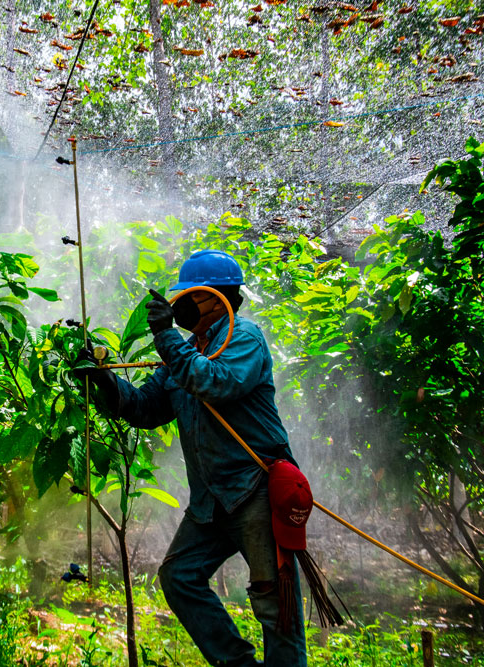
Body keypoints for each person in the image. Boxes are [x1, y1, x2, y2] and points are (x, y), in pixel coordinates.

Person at [80, 249, 308, 667]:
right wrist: (105, 382)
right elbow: (147, 407)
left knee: (276, 607)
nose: (178, 307)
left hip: (254, 494)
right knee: (180, 577)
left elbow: (214, 382)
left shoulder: (244, 338)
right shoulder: (185, 352)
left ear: (213, 298)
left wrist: (167, 338)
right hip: (211, 503)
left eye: (186, 298)